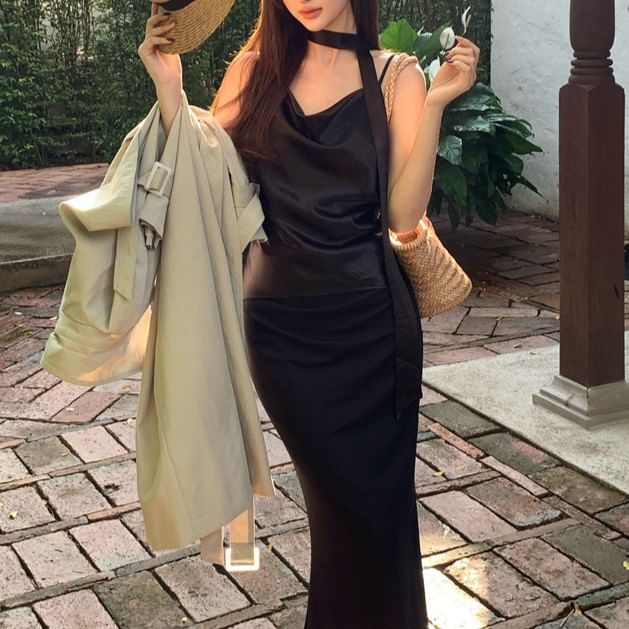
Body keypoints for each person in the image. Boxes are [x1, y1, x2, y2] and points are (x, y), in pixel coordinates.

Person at [139, 1, 479, 627]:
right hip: (282, 335)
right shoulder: (253, 72)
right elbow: (207, 182)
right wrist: (169, 90)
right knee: (343, 515)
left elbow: (403, 217)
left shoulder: (398, 75)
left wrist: (434, 104)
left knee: (381, 517)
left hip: (374, 332)